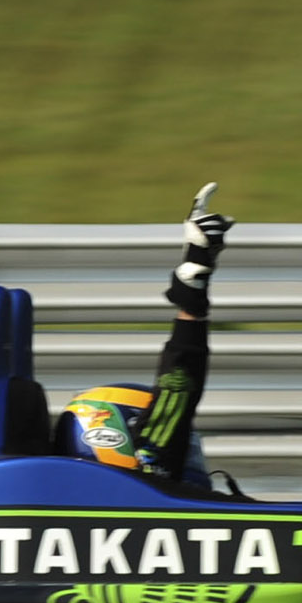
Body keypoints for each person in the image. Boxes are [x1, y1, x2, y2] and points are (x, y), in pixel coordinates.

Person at [56, 185, 233, 488]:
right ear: (110, 439)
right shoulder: (145, 482)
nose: (184, 458)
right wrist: (192, 300)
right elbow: (176, 392)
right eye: (181, 446)